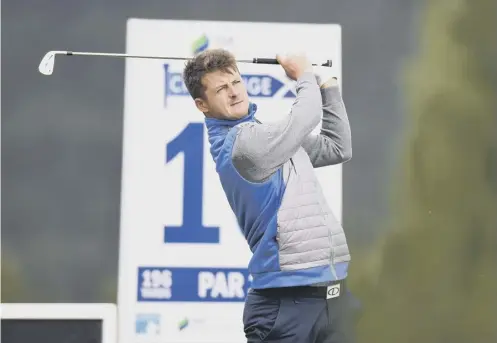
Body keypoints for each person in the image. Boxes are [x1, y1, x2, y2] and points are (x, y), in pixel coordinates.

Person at [183, 48, 354, 343]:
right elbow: (306, 116)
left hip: (333, 297)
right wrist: (304, 75)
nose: (234, 93)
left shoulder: (268, 136)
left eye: (236, 82)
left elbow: (338, 147)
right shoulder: (242, 144)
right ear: (202, 104)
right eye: (222, 89)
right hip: (285, 306)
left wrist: (327, 86)